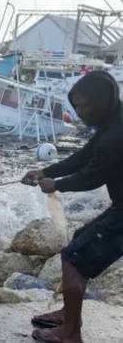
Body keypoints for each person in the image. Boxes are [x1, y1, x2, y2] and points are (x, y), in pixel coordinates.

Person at [22, 71, 123, 343]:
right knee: (81, 240)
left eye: (83, 106)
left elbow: (93, 176)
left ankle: (70, 332)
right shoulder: (113, 120)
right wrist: (45, 170)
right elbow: (85, 156)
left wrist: (55, 185)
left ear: (102, 101)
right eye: (75, 106)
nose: (78, 113)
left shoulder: (116, 133)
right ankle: (69, 314)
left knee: (73, 257)